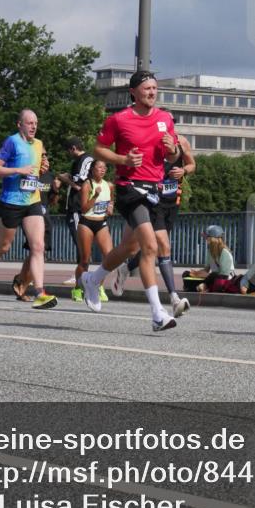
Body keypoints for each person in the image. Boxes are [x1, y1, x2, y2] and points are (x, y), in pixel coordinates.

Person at [78, 71, 181, 331]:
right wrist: (123, 160)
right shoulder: (119, 119)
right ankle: (158, 314)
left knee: (130, 247)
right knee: (150, 247)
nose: (152, 92)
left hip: (154, 190)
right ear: (133, 92)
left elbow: (172, 157)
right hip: (129, 188)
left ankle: (94, 278)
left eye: (155, 88)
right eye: (146, 88)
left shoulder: (165, 119)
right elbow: (98, 150)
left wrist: (172, 150)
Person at [0, 109, 57, 310]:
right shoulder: (11, 142)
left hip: (32, 201)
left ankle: (39, 292)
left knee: (38, 246)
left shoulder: (38, 145)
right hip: (11, 202)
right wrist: (17, 170)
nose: (33, 126)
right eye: (29, 123)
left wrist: (41, 170)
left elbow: (36, 170)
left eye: (35, 123)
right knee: (3, 246)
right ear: (19, 124)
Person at [114, 134, 194, 318]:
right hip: (152, 201)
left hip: (172, 203)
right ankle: (174, 298)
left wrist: (184, 171)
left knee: (153, 247)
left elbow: (191, 164)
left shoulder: (181, 142)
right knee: (164, 246)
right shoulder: (148, 142)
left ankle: (126, 268)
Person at [17, 151, 61, 301]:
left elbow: (52, 202)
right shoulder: (27, 172)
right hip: (30, 216)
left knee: (36, 254)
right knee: (37, 252)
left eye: (46, 156)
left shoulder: (49, 175)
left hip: (45, 218)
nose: (45, 158)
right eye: (41, 155)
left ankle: (20, 281)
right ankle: (24, 286)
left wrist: (56, 189)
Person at [70, 159, 112, 303]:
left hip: (101, 223)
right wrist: (95, 196)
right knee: (85, 260)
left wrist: (110, 207)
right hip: (87, 223)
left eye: (104, 167)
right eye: (99, 167)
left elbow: (111, 200)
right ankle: (77, 288)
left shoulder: (108, 185)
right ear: (93, 169)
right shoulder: (87, 185)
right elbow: (84, 208)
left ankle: (99, 286)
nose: (102, 169)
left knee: (109, 257)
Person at [58, 137, 93, 286]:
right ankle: (82, 273)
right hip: (77, 207)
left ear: (73, 148)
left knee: (80, 242)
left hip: (78, 207)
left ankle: (81, 275)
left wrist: (66, 179)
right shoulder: (82, 161)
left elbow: (80, 186)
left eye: (68, 151)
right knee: (81, 242)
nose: (68, 154)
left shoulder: (84, 160)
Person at [185, 225, 239, 293]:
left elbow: (224, 275)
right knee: (186, 274)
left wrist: (207, 275)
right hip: (212, 278)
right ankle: (199, 286)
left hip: (224, 279)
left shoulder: (225, 253)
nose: (206, 239)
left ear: (214, 238)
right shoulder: (210, 251)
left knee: (213, 275)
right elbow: (206, 269)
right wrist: (196, 273)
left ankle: (203, 286)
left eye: (207, 237)